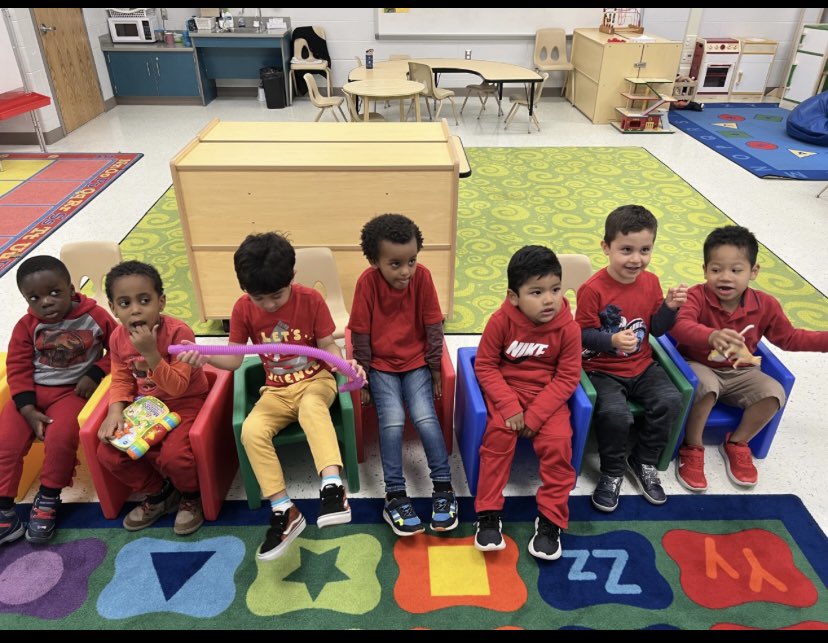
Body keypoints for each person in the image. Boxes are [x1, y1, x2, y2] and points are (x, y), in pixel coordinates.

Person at [177, 232, 365, 561]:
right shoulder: (242, 309)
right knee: (251, 430)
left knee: (310, 408)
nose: (268, 305)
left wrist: (342, 361)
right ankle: (283, 509)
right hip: (275, 391)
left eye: (275, 296)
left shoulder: (311, 300)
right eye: (258, 298)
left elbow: (327, 345)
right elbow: (235, 360)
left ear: (292, 277)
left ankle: (332, 486)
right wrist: (203, 354)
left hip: (316, 380)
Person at [670, 225, 828, 490]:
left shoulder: (765, 305)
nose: (725, 277)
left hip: (740, 371)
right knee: (705, 387)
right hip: (696, 365)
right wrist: (710, 336)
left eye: (736, 269)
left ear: (753, 271)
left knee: (773, 391)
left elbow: (789, 338)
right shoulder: (696, 296)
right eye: (716, 269)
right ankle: (692, 447)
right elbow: (679, 325)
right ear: (705, 270)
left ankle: (737, 443)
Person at [348, 213, 457, 536]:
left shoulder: (422, 278)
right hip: (380, 367)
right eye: (395, 264)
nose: (406, 271)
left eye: (411, 260)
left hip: (417, 364)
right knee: (392, 421)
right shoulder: (366, 284)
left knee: (425, 418)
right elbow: (360, 335)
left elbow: (433, 326)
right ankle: (394, 495)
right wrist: (363, 377)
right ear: (374, 261)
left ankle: (443, 488)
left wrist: (436, 367)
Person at [576, 205, 687, 513]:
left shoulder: (650, 282)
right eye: (626, 249)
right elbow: (581, 334)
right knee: (616, 415)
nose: (636, 259)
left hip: (641, 365)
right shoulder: (592, 289)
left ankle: (644, 460)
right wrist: (610, 340)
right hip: (601, 369)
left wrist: (669, 307)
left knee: (670, 399)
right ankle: (612, 472)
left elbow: (658, 329)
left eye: (645, 250)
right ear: (606, 247)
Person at [473, 245, 581, 560]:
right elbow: (485, 366)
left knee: (560, 445)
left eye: (555, 289)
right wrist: (510, 407)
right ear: (513, 296)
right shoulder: (500, 321)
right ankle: (489, 512)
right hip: (508, 392)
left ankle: (551, 520)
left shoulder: (568, 329)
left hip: (547, 398)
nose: (549, 299)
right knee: (497, 439)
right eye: (537, 292)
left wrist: (534, 417)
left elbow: (567, 377)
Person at [0, 256, 115, 545]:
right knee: (5, 443)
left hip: (71, 392)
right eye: (34, 297)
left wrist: (95, 371)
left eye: (54, 292)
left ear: (71, 288)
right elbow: (17, 366)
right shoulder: (26, 326)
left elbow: (120, 350)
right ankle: (5, 513)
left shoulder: (96, 316)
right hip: (31, 394)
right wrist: (26, 407)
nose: (46, 302)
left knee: (61, 438)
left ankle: (49, 498)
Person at [96, 261, 209, 536]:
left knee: (175, 457)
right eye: (124, 303)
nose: (135, 309)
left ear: (161, 302)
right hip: (145, 406)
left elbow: (178, 387)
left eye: (144, 300)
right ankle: (159, 493)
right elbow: (121, 377)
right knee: (108, 454)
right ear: (113, 308)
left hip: (186, 403)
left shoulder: (178, 332)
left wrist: (150, 353)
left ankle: (190, 496)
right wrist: (115, 411)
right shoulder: (117, 338)